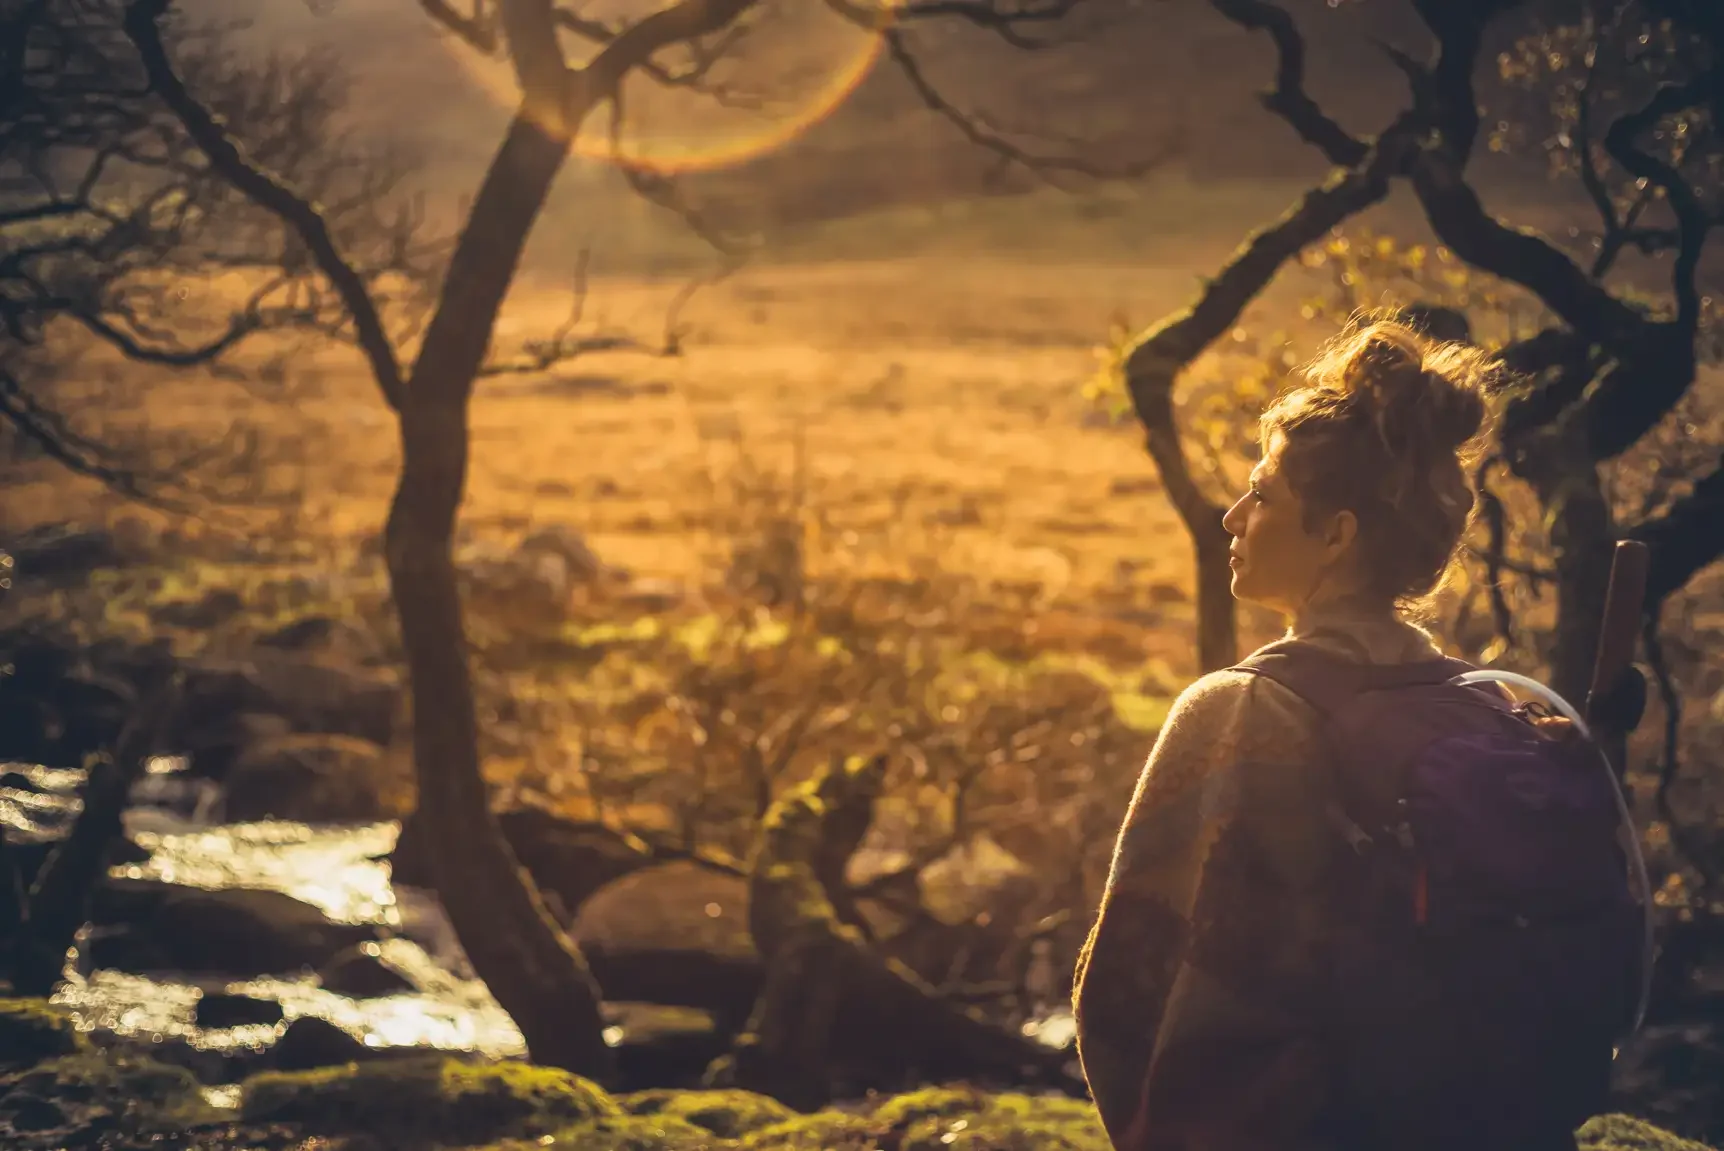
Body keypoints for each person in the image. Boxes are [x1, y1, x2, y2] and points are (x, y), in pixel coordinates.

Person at [1071, 314, 1540, 1150]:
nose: (1233, 516)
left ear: (1338, 534)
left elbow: (1126, 986)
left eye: (1264, 494)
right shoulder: (1493, 707)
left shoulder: (1241, 709)